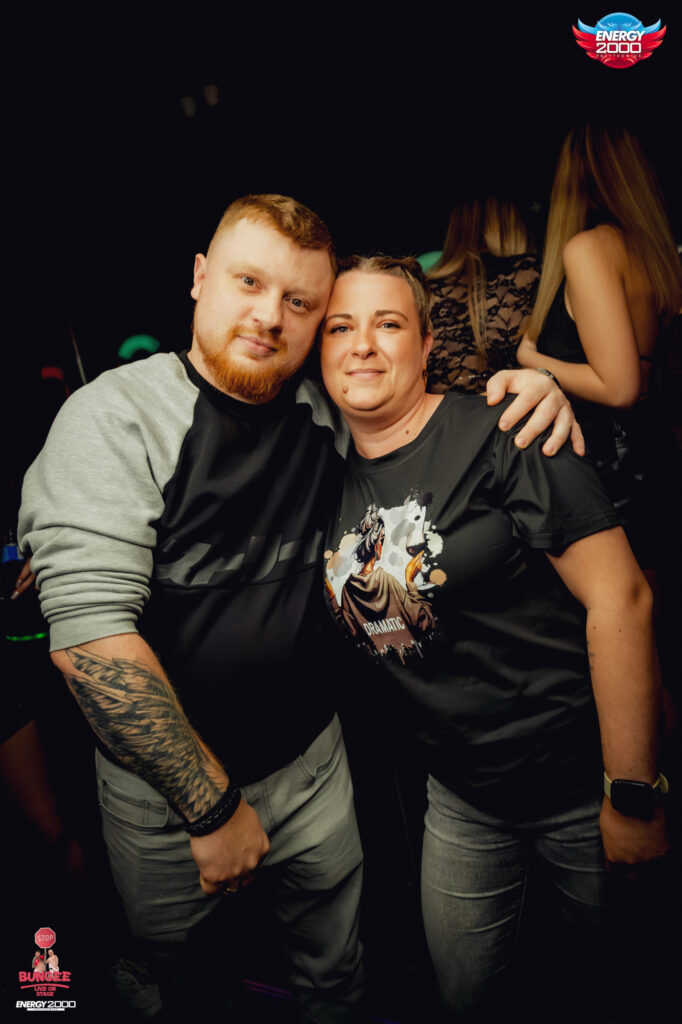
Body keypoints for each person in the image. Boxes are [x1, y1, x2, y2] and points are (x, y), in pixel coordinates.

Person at [18, 194, 578, 1022]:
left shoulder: (321, 411)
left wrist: (530, 394)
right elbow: (91, 646)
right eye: (248, 282)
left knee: (338, 977)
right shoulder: (117, 416)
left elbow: (410, 408)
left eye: (300, 301)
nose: (269, 316)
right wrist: (211, 808)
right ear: (200, 278)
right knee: (189, 990)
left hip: (313, 769)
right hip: (167, 800)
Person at [319, 255, 669, 1020]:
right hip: (461, 798)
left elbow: (623, 597)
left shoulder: (507, 430)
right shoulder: (317, 476)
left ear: (424, 343)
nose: (362, 345)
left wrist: (632, 794)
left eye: (387, 324)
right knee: (466, 996)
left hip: (581, 785)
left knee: (625, 988)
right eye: (340, 327)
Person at [517, 121, 682, 571]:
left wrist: (532, 359)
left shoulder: (588, 249)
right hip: (653, 455)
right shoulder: (651, 250)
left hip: (613, 468)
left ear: (571, 178)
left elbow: (620, 387)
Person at [427, 195, 539, 393]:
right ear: (513, 219)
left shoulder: (425, 287)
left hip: (438, 410)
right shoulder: (528, 273)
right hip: (507, 408)